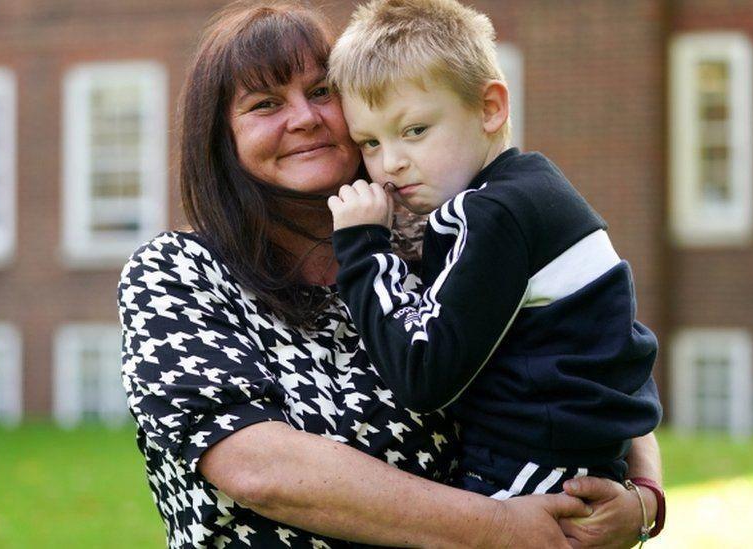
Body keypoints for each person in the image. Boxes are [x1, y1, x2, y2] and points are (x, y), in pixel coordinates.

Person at [117, 2, 663, 548]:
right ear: (220, 140)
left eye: (322, 91)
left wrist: (642, 500)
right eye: (265, 104)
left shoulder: (438, 236)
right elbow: (256, 468)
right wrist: (495, 530)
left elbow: (595, 348)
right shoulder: (177, 273)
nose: (304, 117)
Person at [327, 0, 662, 500]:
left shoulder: (493, 215)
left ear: (490, 108)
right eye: (369, 143)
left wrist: (362, 247)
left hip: (533, 474)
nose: (390, 163)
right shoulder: (538, 187)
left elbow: (423, 375)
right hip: (571, 460)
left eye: (415, 130)